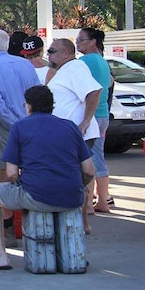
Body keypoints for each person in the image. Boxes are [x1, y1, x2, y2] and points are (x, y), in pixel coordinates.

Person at [0, 85, 95, 270]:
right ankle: (72, 253)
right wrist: (76, 185)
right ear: (52, 105)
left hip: (36, 194)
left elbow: (11, 173)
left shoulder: (20, 127)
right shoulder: (70, 126)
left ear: (28, 106)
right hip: (72, 196)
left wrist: (21, 185)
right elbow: (89, 170)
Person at [0, 29, 40, 246]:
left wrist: (14, 125)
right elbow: (38, 94)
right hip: (31, 124)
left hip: (6, 127)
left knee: (3, 177)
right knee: (31, 172)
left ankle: (6, 229)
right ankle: (30, 225)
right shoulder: (25, 64)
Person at [45, 37, 102, 234]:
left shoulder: (76, 67)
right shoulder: (63, 71)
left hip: (77, 135)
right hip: (67, 135)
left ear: (66, 53)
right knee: (74, 179)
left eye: (52, 51)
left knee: (74, 179)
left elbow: (94, 91)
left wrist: (85, 121)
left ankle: (81, 221)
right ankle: (81, 221)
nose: (48, 54)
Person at [77, 28, 113, 213]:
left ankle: (89, 202)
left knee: (88, 158)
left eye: (81, 39)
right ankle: (102, 200)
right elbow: (109, 83)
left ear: (92, 41)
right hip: (103, 114)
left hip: (91, 116)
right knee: (98, 156)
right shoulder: (101, 60)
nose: (77, 42)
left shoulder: (85, 61)